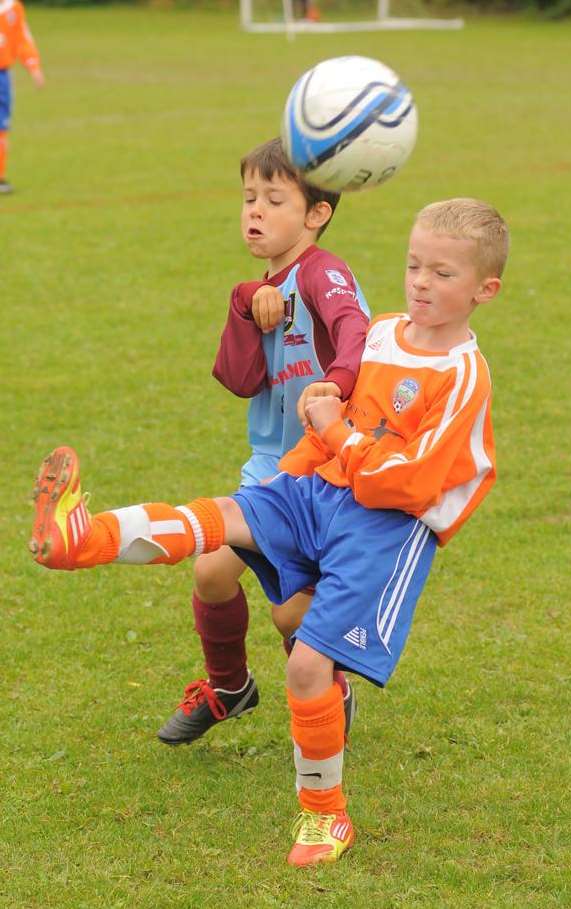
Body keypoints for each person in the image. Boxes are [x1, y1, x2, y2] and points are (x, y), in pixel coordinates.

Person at [29, 197, 509, 867]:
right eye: (413, 265)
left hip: (384, 527)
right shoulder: (384, 331)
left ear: (486, 290)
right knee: (220, 520)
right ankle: (83, 541)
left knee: (309, 663)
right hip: (319, 485)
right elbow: (339, 405)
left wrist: (331, 428)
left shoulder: (463, 375)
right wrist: (308, 443)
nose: (422, 282)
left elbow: (404, 481)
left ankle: (324, 816)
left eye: (444, 273)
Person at [159, 137, 369, 746]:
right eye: (249, 197)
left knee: (290, 612)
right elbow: (239, 377)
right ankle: (230, 687)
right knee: (211, 572)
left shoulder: (323, 271)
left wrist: (335, 383)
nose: (255, 211)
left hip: (320, 474)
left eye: (274, 200)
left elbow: (355, 328)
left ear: (316, 215)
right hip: (267, 468)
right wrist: (244, 302)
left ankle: (327, 681)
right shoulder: (264, 285)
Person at [0, 0, 44, 194]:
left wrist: (33, 65)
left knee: (1, 128)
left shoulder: (13, 8)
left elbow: (21, 39)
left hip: (1, 76)